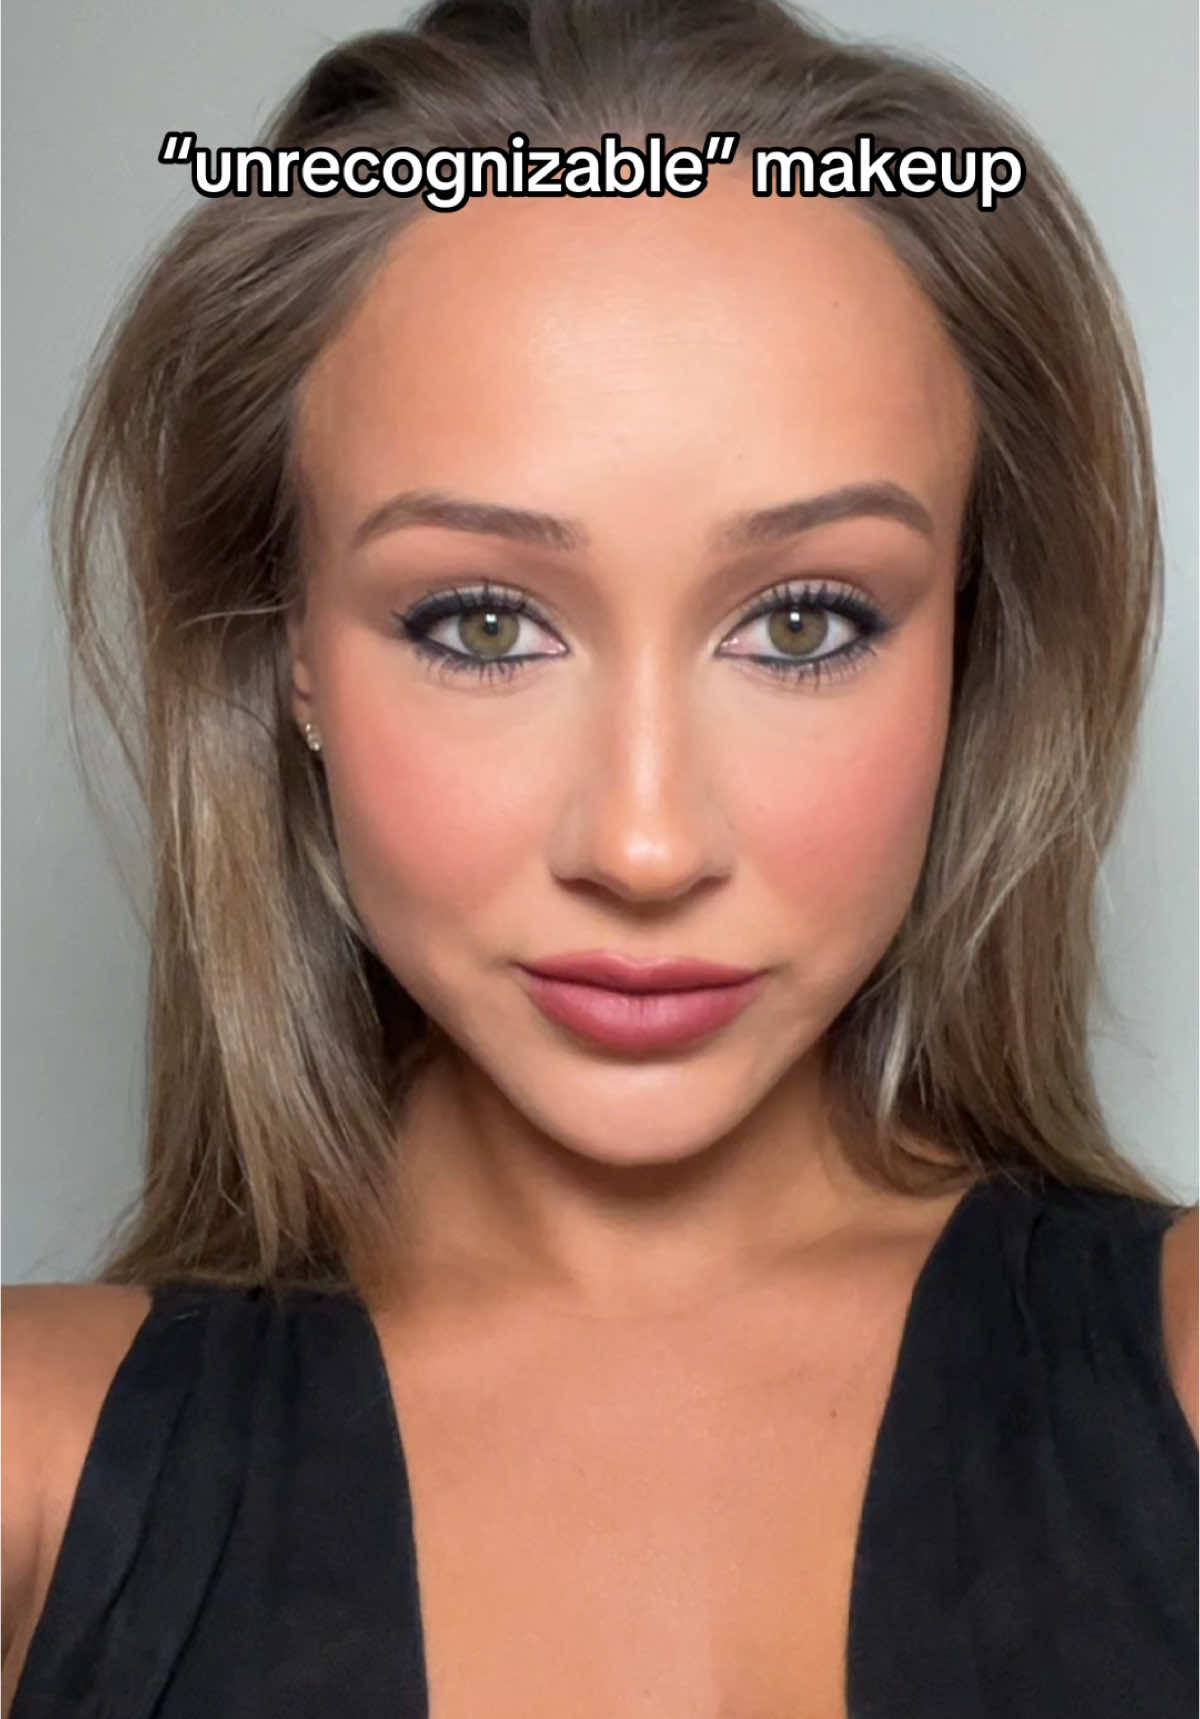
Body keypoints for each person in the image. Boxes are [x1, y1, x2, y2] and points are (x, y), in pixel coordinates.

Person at [3, 0, 1196, 1714]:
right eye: (483, 621)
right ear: (286, 653)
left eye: (805, 622)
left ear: (972, 649)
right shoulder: (32, 1478)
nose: (645, 843)